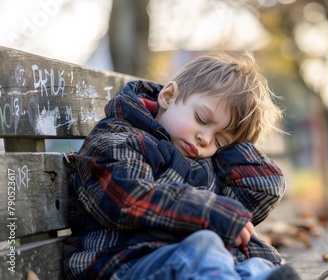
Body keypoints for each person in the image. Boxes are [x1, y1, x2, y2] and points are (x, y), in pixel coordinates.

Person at [63, 52, 301, 280]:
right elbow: (130, 198)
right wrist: (208, 212)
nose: (205, 139)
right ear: (168, 97)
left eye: (219, 140)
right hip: (122, 263)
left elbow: (260, 189)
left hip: (184, 263)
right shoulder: (118, 140)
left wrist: (233, 146)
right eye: (202, 119)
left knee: (256, 265)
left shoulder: (203, 163)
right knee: (204, 247)